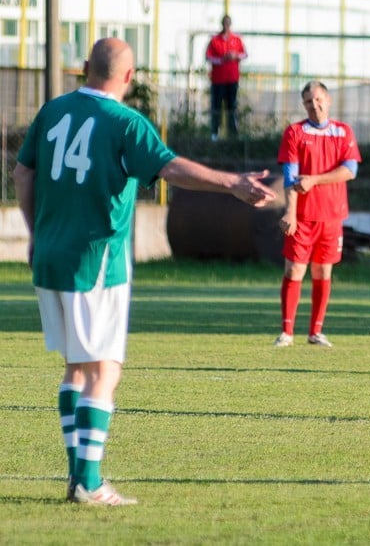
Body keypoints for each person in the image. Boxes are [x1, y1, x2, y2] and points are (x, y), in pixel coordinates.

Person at [13, 38, 276, 506]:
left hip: (50, 255)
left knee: (77, 368)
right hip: (95, 262)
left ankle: (78, 478)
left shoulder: (52, 111)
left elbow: (23, 173)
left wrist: (36, 232)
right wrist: (232, 184)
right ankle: (89, 483)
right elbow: (170, 167)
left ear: (85, 68)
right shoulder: (125, 122)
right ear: (130, 78)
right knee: (104, 370)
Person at [274, 81, 361, 348]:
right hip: (303, 216)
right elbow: (290, 176)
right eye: (309, 102)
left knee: (323, 272)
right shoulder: (295, 132)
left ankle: (316, 332)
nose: (315, 105)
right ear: (304, 105)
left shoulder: (343, 132)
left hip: (332, 216)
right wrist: (290, 212)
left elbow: (350, 171)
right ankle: (287, 332)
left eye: (319, 99)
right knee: (295, 269)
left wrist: (314, 180)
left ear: (328, 100)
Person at [205, 14, 247, 140]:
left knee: (232, 107)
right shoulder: (215, 40)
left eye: (228, 23)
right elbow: (208, 57)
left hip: (232, 79)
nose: (226, 26)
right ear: (222, 24)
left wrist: (235, 56)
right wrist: (221, 60)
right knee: (216, 107)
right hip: (218, 80)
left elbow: (244, 54)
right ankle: (214, 133)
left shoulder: (236, 39)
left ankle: (233, 133)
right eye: (225, 23)